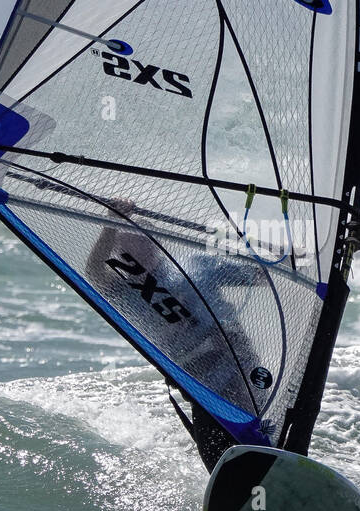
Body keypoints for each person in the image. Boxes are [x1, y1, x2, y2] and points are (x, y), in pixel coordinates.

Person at [84, 195, 266, 471]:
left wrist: (289, 259)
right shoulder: (125, 290)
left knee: (251, 426)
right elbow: (94, 271)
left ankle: (266, 465)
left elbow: (256, 277)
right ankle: (234, 484)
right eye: (126, 245)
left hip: (235, 356)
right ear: (119, 251)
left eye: (142, 240)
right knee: (218, 445)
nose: (135, 249)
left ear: (156, 243)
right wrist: (109, 224)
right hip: (196, 375)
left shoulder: (196, 264)